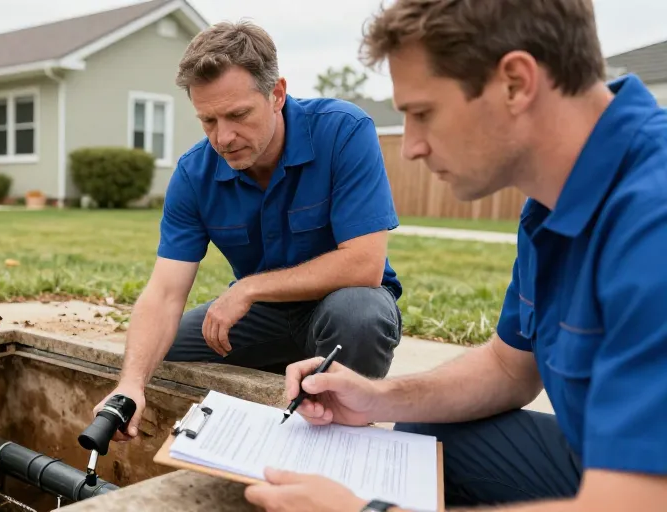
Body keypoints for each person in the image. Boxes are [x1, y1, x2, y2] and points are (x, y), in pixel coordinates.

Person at [243, 0, 667, 511]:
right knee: (425, 432)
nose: (411, 148)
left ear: (515, 82)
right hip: (603, 459)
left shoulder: (652, 218)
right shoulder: (555, 203)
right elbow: (509, 369)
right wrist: (377, 396)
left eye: (423, 114)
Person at [93, 20, 405, 440]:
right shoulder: (193, 174)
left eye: (238, 115)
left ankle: (341, 436)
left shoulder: (343, 131)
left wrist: (247, 288)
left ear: (276, 94)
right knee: (162, 350)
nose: (223, 137)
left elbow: (365, 264)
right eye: (208, 120)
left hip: (342, 305)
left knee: (360, 314)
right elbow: (165, 292)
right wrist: (130, 383)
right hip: (265, 320)